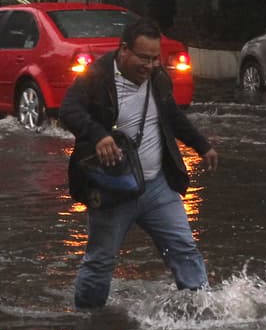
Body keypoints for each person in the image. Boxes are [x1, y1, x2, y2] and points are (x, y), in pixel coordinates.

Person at [59, 17, 219, 309]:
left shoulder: (157, 78)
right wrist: (98, 135)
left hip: (158, 186)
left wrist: (202, 145)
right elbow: (67, 110)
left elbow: (172, 116)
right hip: (113, 188)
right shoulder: (98, 77)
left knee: (184, 248)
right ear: (123, 51)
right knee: (100, 261)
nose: (149, 65)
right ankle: (87, 320)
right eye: (143, 58)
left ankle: (200, 310)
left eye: (154, 59)